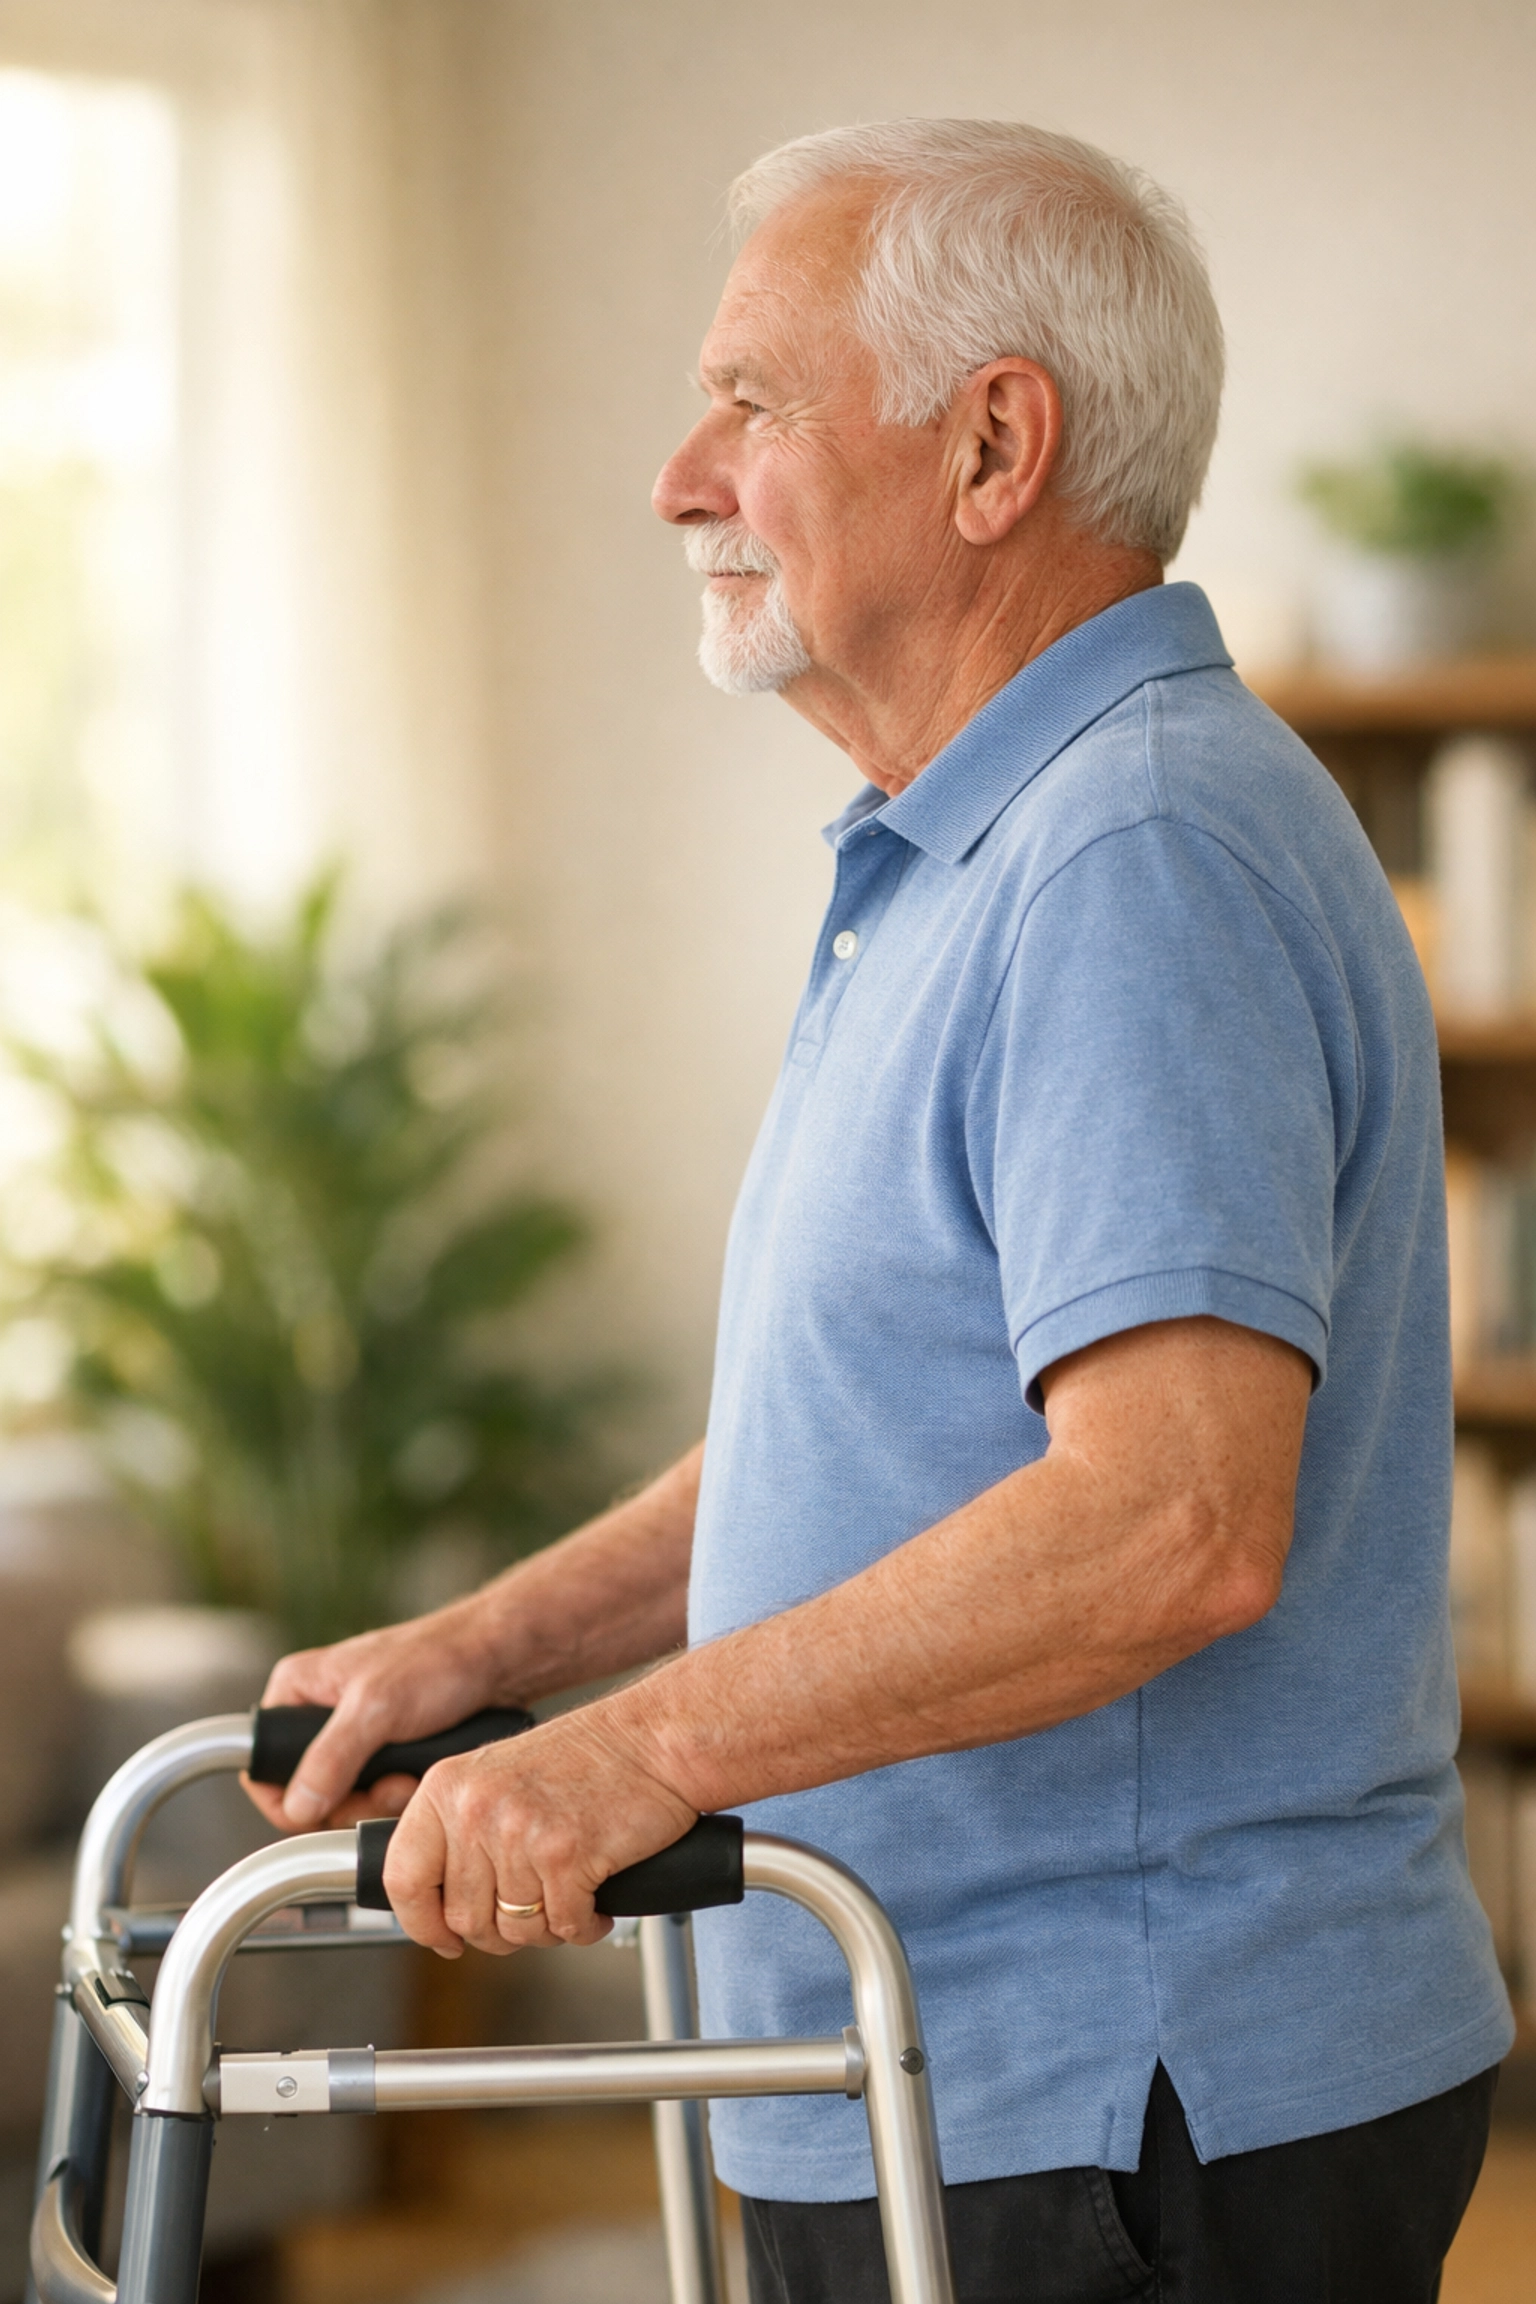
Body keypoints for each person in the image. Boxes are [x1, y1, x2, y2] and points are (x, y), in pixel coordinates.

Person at [246, 120, 1512, 2302]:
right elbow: (887, 1437)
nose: (680, 478)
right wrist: (496, 1653)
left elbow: (1166, 1520)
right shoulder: (981, 848)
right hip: (968, 2074)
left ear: (994, 446)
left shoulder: (1133, 855)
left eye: (751, 401)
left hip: (1116, 2090)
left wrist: (638, 1750)